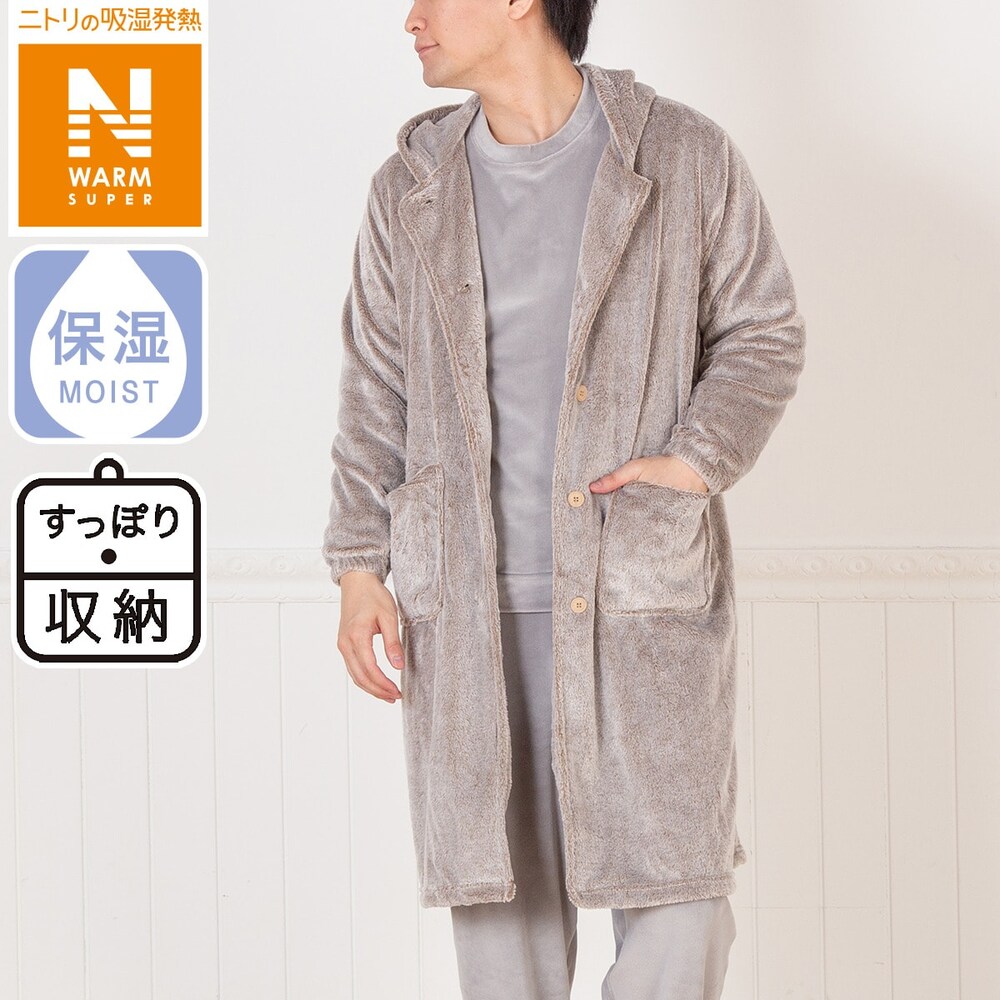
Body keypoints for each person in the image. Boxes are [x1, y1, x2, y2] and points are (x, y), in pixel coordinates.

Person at [323, 2, 806, 998]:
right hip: (471, 614)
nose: (411, 18)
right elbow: (375, 389)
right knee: (505, 937)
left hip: (639, 598)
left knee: (681, 909)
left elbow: (763, 332)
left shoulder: (681, 156)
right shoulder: (409, 189)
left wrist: (693, 462)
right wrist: (359, 565)